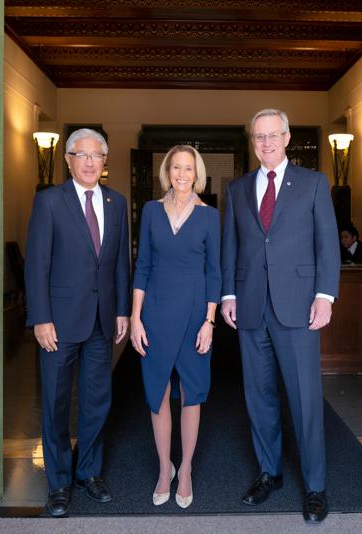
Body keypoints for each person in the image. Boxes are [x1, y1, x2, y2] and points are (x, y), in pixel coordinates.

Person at [221, 109, 340, 523]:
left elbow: (328, 243)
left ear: (287, 137)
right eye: (259, 137)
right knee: (259, 397)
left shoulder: (312, 183)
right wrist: (228, 295)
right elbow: (230, 247)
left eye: (274, 135)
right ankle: (269, 472)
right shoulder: (236, 189)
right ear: (252, 141)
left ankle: (315, 487)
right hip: (251, 308)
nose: (267, 143)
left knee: (305, 400)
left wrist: (325, 295)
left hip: (299, 308)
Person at [25, 128, 130, 517]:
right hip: (58, 323)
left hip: (103, 321)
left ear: (105, 162)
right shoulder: (49, 202)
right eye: (81, 154)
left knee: (97, 401)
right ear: (67, 160)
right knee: (54, 403)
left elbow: (120, 262)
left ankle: (89, 472)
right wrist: (40, 318)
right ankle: (58, 484)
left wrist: (121, 309)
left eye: (96, 155)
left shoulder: (116, 204)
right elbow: (37, 264)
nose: (89, 161)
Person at [130, 145, 220, 509]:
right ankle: (164, 469)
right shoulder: (151, 212)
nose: (182, 174)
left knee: (193, 394)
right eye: (176, 168)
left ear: (197, 174)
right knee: (159, 393)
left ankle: (185, 470)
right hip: (154, 314)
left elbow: (214, 272)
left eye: (188, 168)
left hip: (195, 315)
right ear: (167, 172)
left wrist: (210, 322)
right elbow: (143, 266)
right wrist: (135, 317)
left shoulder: (209, 217)